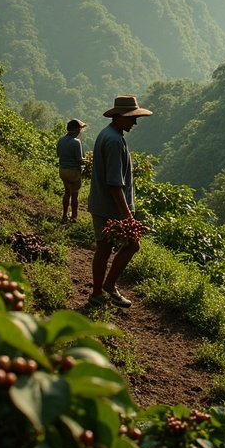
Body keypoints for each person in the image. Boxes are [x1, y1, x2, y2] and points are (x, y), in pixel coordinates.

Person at [87, 95, 152, 308]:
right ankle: (107, 285)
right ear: (120, 116)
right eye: (132, 118)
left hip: (101, 205)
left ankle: (99, 292)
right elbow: (115, 184)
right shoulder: (114, 141)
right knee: (132, 245)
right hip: (111, 208)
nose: (134, 122)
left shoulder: (108, 135)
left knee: (103, 249)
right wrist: (127, 214)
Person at [56, 118, 87, 224]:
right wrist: (87, 162)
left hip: (62, 170)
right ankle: (74, 217)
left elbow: (59, 154)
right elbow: (79, 159)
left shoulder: (61, 140)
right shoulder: (76, 142)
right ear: (76, 130)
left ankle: (64, 215)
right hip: (73, 172)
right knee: (74, 194)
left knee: (66, 192)